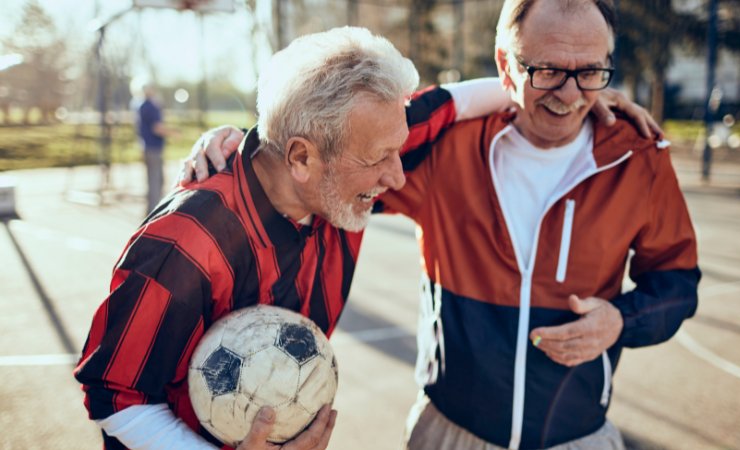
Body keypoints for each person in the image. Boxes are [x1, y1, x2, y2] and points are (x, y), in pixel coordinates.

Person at [192, 1, 699, 449]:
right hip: (448, 433)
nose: (568, 95)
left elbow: (677, 284)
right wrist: (253, 145)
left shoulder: (639, 159)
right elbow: (337, 153)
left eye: (589, 72)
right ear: (506, 64)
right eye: (545, 70)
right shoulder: (448, 149)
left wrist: (620, 321)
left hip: (580, 437)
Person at [75, 27, 424, 450]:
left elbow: (474, 98)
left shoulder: (346, 178)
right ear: (300, 157)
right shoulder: (187, 241)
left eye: (398, 150)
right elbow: (113, 394)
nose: (397, 176)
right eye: (376, 159)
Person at [132, 81, 171, 213]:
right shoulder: (150, 107)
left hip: (146, 146)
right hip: (154, 147)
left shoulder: (140, 105)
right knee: (156, 181)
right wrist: (173, 133)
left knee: (152, 180)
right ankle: (155, 211)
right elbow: (157, 128)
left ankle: (151, 209)